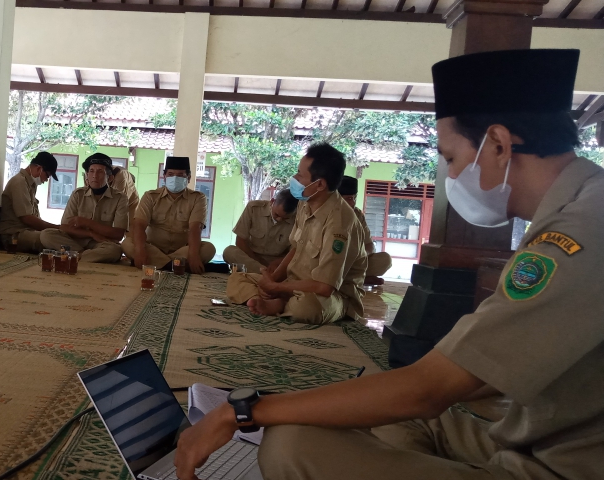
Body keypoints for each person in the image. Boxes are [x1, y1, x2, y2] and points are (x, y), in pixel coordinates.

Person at [174, 49, 604, 480]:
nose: (451, 176)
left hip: (553, 466)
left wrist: (244, 411)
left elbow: (429, 389)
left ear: (498, 144)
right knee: (380, 416)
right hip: (527, 435)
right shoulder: (581, 206)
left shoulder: (579, 234)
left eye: (450, 159)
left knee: (291, 442)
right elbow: (485, 375)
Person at [225, 142, 367, 325]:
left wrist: (277, 287)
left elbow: (325, 287)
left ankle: (279, 304)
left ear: (320, 184)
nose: (294, 178)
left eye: (300, 174)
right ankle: (276, 301)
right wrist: (272, 281)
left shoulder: (339, 223)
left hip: (332, 295)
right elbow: (296, 249)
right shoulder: (305, 204)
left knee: (307, 307)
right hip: (294, 284)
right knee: (237, 278)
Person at [122, 156, 215, 274]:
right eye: (170, 174)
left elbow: (195, 228)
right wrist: (140, 250)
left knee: (209, 249)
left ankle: (158, 264)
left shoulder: (198, 198)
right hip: (153, 248)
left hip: (182, 250)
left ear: (189, 178)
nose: (175, 178)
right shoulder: (150, 196)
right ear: (164, 176)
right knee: (127, 244)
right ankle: (176, 265)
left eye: (180, 175)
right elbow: (139, 225)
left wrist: (193, 254)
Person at [39, 154, 128, 262]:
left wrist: (87, 223)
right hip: (75, 241)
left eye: (100, 172)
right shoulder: (78, 194)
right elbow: (65, 227)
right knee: (46, 234)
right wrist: (91, 233)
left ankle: (73, 257)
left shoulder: (120, 198)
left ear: (110, 178)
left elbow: (118, 234)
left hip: (101, 243)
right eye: (91, 171)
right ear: (87, 175)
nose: (94, 175)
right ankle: (84, 256)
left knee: (114, 250)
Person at [222, 189, 297, 273]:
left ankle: (260, 273)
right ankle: (267, 274)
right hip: (251, 257)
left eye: (285, 218)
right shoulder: (253, 208)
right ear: (272, 201)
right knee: (229, 252)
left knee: (297, 263)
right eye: (277, 215)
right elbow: (240, 241)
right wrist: (259, 262)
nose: (279, 219)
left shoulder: (297, 218)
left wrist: (278, 263)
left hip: (276, 262)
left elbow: (293, 251)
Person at [0, 151, 60, 253]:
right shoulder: (19, 182)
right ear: (39, 169)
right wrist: (58, 228)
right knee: (51, 239)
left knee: (55, 236)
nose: (46, 180)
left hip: (27, 232)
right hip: (13, 235)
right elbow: (27, 219)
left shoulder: (30, 184)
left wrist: (56, 230)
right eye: (47, 176)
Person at [338, 175, 392, 285]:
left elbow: (370, 245)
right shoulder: (327, 213)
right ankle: (358, 279)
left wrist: (360, 256)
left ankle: (352, 278)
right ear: (337, 198)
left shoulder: (357, 214)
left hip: (355, 262)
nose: (353, 202)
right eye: (349, 199)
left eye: (355, 198)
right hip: (332, 261)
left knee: (385, 260)